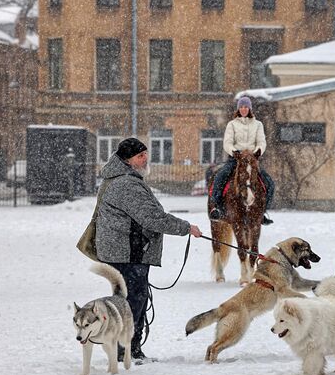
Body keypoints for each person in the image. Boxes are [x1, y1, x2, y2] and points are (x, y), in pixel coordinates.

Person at [95, 137, 202, 361]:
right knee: (132, 300)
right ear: (127, 159)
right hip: (126, 252)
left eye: (145, 154)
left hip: (127, 251)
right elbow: (151, 218)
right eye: (139, 156)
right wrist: (186, 228)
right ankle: (125, 350)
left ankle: (130, 349)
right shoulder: (126, 183)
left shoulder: (127, 179)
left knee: (135, 299)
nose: (145, 159)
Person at [209, 96, 275, 225]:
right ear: (238, 109)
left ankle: (263, 212)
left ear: (249, 109)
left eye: (246, 107)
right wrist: (234, 151)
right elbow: (227, 142)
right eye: (241, 107)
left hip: (252, 160)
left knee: (269, 183)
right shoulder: (232, 124)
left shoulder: (258, 124)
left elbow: (261, 141)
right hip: (236, 159)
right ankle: (217, 207)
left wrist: (258, 151)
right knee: (220, 177)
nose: (243, 109)